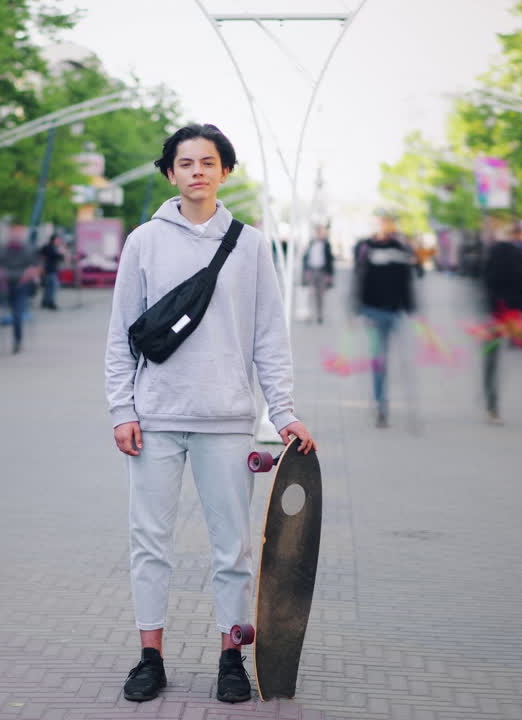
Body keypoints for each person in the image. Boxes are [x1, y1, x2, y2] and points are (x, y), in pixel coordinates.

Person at [104, 123, 316, 704]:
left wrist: (284, 413)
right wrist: (122, 409)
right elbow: (121, 335)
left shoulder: (251, 245)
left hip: (226, 420)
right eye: (185, 162)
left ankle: (232, 658)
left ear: (225, 171)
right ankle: (150, 657)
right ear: (169, 172)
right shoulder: (144, 241)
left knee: (233, 549)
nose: (196, 171)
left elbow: (269, 338)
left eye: (207, 162)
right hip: (154, 419)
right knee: (150, 542)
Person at [352, 212, 416, 429]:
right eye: (381, 224)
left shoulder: (400, 248)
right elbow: (359, 278)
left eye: (388, 224)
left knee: (399, 359)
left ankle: (389, 402)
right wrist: (358, 307)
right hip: (373, 311)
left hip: (394, 311)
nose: (385, 227)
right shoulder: (366, 248)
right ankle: (381, 405)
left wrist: (410, 307)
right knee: (379, 360)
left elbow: (407, 280)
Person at [480, 223, 522, 425]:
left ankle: (492, 405)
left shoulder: (493, 253)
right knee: (521, 358)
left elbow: (486, 281)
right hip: (516, 314)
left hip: (496, 314)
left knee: (491, 360)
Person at [0, 239, 40, 354]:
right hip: (8, 287)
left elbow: (34, 267)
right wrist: (0, 277)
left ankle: (17, 340)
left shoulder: (27, 250)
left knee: (17, 314)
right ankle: (16, 339)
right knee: (12, 313)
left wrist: (29, 276)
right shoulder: (5, 249)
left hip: (22, 287)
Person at [301, 224, 335, 324]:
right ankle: (310, 315)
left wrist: (330, 276)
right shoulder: (311, 243)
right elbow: (306, 258)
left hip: (322, 272)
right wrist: (305, 272)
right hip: (312, 271)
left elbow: (330, 260)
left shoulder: (326, 244)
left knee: (320, 295)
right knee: (311, 293)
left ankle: (319, 315)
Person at [39, 233, 65, 310]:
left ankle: (45, 302)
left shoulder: (48, 247)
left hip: (48, 269)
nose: (59, 241)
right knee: (53, 286)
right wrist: (62, 252)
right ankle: (50, 302)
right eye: (58, 240)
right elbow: (58, 256)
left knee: (48, 286)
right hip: (50, 269)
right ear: (54, 240)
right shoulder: (51, 247)